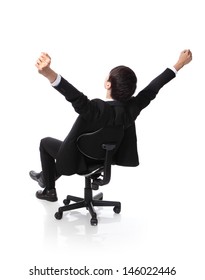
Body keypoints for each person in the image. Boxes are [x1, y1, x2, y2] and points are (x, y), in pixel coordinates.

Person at [29, 49, 192, 202]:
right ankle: (44, 176)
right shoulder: (131, 110)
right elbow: (153, 88)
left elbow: (73, 95)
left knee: (45, 142)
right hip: (104, 159)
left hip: (79, 160)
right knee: (67, 151)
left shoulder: (95, 109)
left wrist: (48, 73)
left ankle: (49, 190)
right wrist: (179, 64)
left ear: (108, 85)